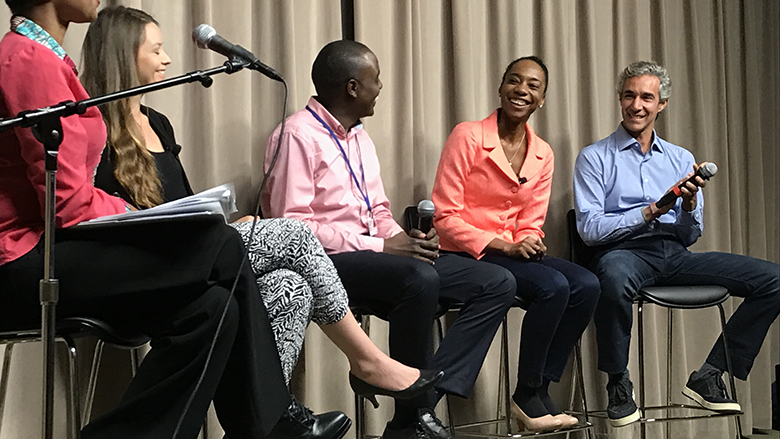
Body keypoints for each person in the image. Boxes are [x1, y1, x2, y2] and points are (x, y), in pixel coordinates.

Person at [0, 1, 351, 438]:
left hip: (54, 249)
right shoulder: (28, 59)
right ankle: (271, 422)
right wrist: (130, 213)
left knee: (212, 307)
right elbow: (67, 205)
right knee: (222, 243)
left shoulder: (47, 57)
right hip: (24, 262)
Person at [81, 5, 441, 431]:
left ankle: (266, 426)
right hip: (145, 268)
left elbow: (183, 205)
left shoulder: (157, 123)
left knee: (290, 286)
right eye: (156, 50)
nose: (168, 60)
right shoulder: (90, 124)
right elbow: (94, 214)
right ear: (125, 56)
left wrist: (224, 221)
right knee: (292, 233)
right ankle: (365, 361)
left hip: (187, 256)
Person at [263, 39, 518, 439]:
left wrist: (405, 240)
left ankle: (419, 402)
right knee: (419, 280)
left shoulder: (360, 137)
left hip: (378, 255)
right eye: (374, 78)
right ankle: (411, 416)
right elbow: (291, 226)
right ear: (352, 87)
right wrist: (383, 248)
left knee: (496, 282)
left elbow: (378, 210)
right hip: (327, 264)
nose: (379, 86)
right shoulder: (296, 135)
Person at [573, 60, 780, 428]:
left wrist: (686, 207)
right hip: (623, 255)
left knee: (774, 279)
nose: (637, 105)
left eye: (646, 97)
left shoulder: (681, 158)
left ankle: (711, 373)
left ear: (662, 104)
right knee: (614, 274)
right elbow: (589, 230)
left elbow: (689, 234)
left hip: (673, 255)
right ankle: (618, 383)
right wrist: (650, 211)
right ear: (620, 100)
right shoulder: (594, 157)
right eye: (629, 95)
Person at [431, 56, 600, 432]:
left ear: (542, 99)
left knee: (587, 285)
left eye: (533, 86)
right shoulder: (468, 135)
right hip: (466, 253)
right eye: (514, 80)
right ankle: (526, 393)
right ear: (501, 87)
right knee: (553, 287)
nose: (521, 90)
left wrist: (529, 240)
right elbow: (444, 216)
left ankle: (536, 388)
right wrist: (506, 246)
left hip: (511, 255)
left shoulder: (543, 153)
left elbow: (531, 222)